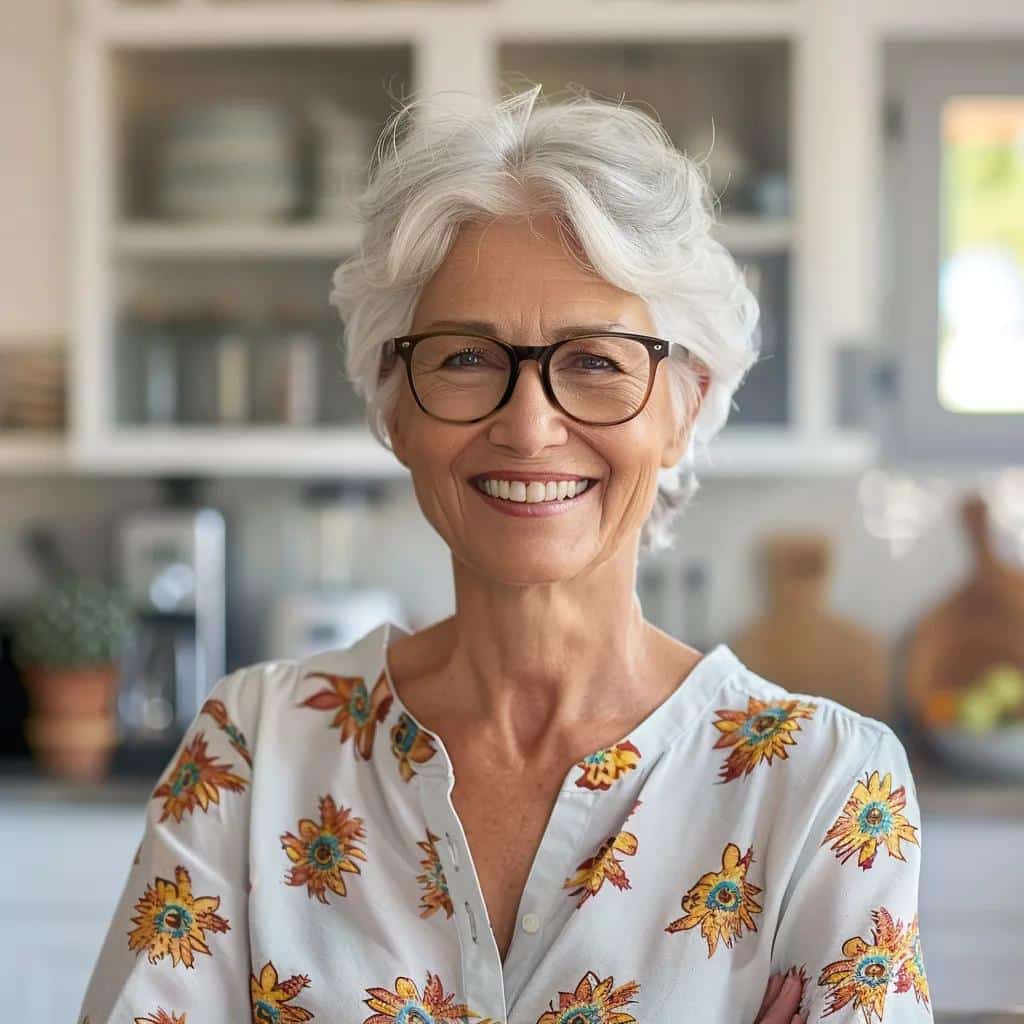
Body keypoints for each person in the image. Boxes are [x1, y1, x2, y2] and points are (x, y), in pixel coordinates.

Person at [79, 84, 932, 1024]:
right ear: (392, 405)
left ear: (685, 407)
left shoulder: (822, 789)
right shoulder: (253, 752)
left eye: (599, 361)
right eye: (465, 358)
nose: (529, 427)